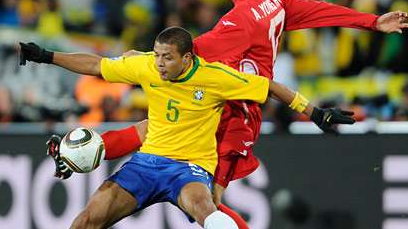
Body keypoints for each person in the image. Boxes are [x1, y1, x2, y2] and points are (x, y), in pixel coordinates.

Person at [47, 0, 408, 229]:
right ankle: (77, 153)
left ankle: (77, 154)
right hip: (236, 103)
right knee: (157, 130)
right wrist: (370, 22)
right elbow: (319, 11)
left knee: (211, 204)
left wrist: (139, 58)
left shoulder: (237, 22)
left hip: (233, 111)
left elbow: (181, 55)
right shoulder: (275, 0)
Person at [19, 27, 355, 229]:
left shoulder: (215, 78)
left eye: (167, 57)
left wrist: (314, 112)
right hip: (145, 164)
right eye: (157, 55)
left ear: (187, 58)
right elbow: (96, 64)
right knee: (87, 221)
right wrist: (46, 56)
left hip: (190, 168)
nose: (159, 63)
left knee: (206, 210)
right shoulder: (148, 66)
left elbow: (270, 87)